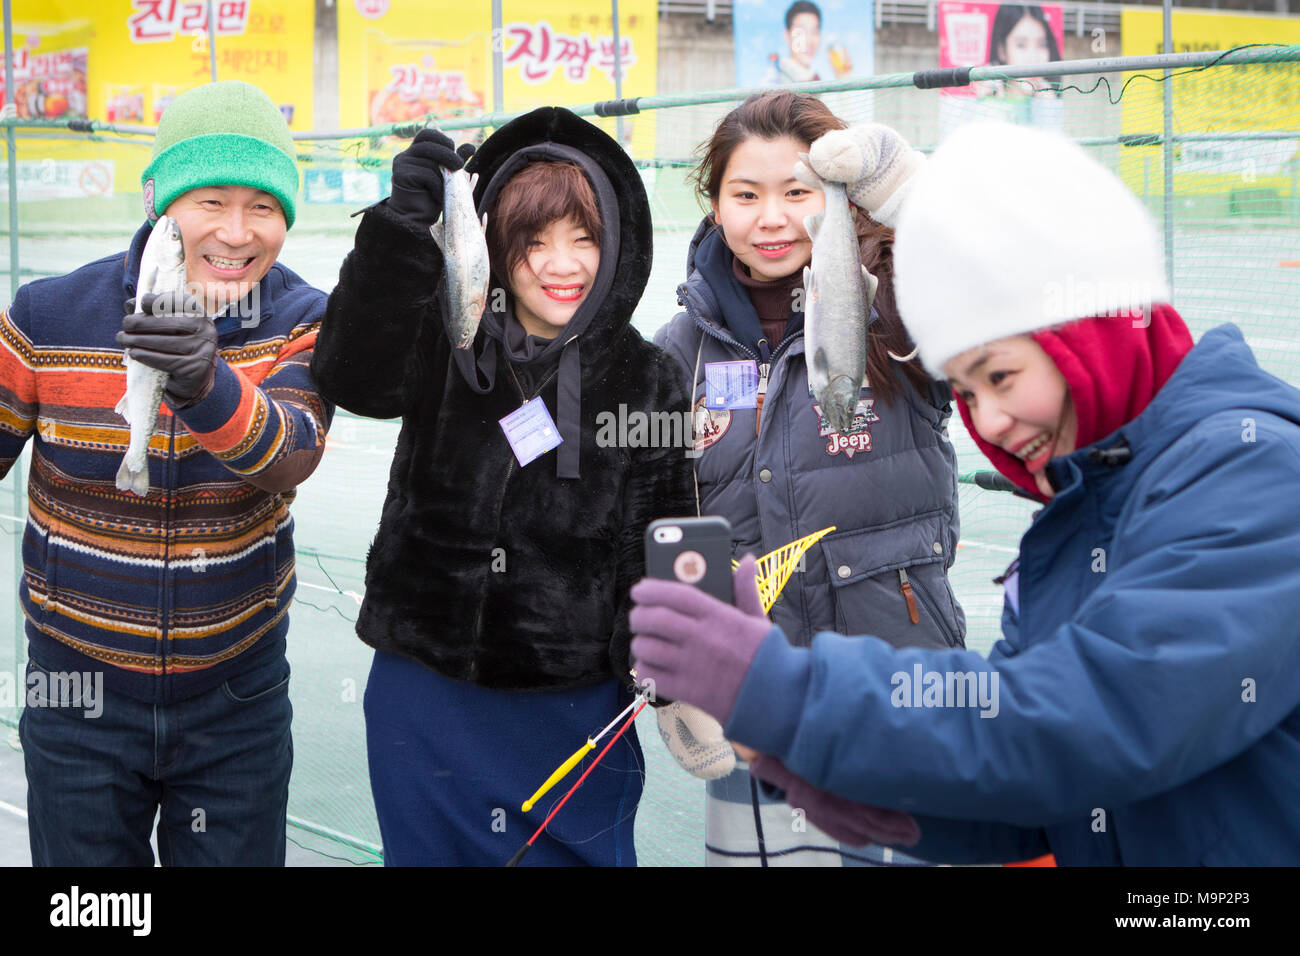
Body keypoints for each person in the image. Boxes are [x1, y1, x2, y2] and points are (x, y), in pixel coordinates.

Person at [630, 121, 1300, 865]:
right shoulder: (1087, 501)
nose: (992, 420)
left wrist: (783, 693)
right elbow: (1026, 808)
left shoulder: (1252, 474)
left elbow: (1084, 719)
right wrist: (798, 763)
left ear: (1090, 323)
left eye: (1002, 376)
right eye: (969, 391)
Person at [310, 108, 695, 866]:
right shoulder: (445, 335)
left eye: (583, 238)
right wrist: (398, 233)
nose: (562, 264)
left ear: (615, 242)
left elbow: (662, 536)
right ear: (495, 244)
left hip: (574, 704)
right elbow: (351, 373)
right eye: (533, 241)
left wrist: (677, 678)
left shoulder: (648, 377)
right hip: (423, 692)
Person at [0, 80, 332, 865]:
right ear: (158, 203)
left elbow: (290, 452)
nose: (237, 231)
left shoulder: (302, 318)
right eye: (208, 200)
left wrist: (202, 380)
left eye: (264, 206)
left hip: (237, 700)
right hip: (74, 692)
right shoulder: (46, 316)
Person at [653, 90, 965, 866]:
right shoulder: (676, 352)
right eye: (745, 195)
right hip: (757, 715)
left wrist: (914, 203)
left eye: (797, 192)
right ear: (713, 203)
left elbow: (1005, 296)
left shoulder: (898, 306)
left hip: (902, 692)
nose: (772, 218)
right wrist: (672, 678)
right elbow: (656, 523)